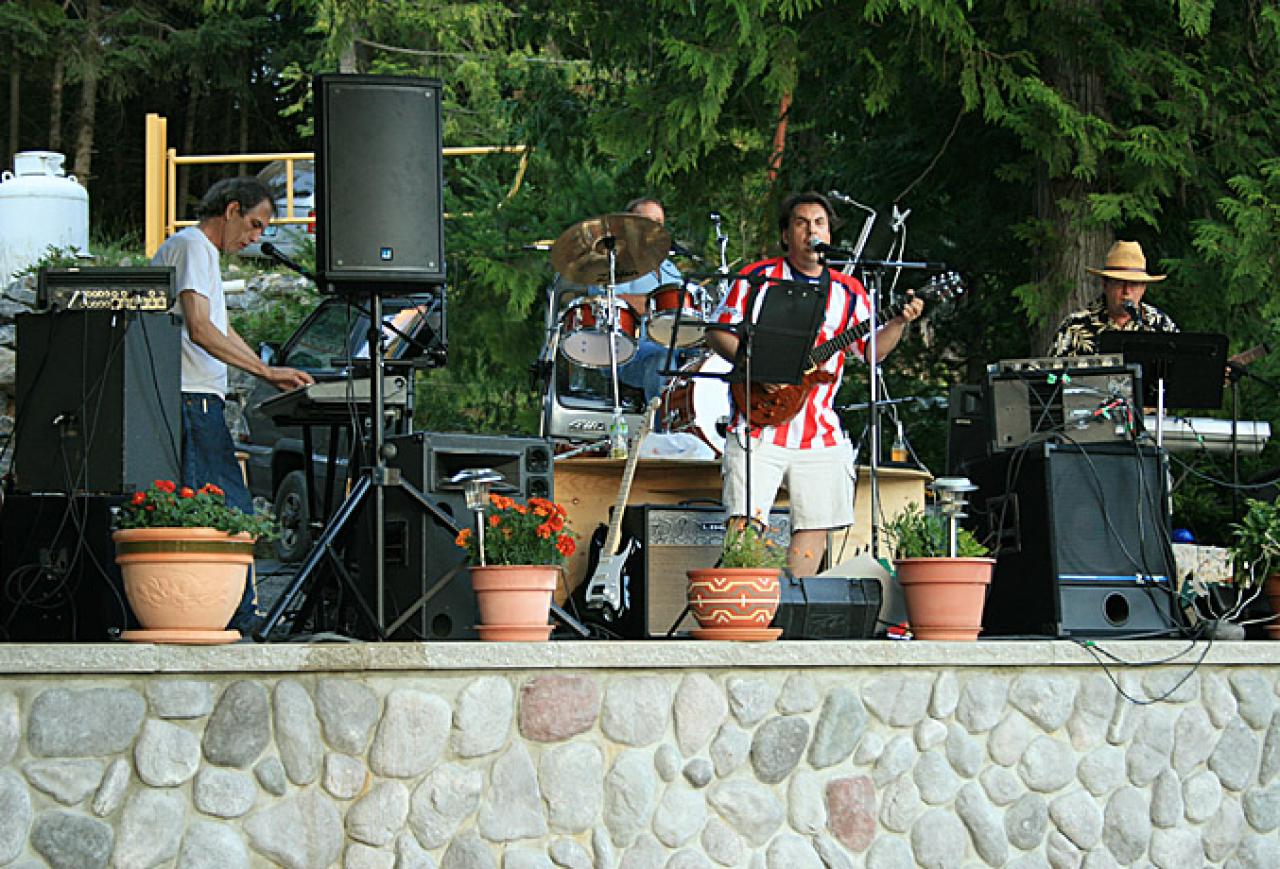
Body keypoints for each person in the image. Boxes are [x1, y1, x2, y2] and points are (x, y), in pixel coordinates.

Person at [706, 192, 924, 577]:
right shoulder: (757, 278)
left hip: (819, 429)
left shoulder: (849, 291)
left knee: (814, 527)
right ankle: (746, 602)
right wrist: (759, 369)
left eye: (819, 223)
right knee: (745, 524)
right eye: (801, 223)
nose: (811, 231)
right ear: (786, 235)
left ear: (829, 232)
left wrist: (898, 322)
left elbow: (871, 352)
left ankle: (793, 603)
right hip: (758, 423)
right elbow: (718, 332)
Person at [151, 177, 314, 631]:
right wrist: (266, 373)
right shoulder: (195, 247)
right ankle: (238, 616)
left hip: (194, 396)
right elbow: (201, 329)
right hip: (191, 398)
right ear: (231, 210)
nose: (256, 237)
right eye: (255, 224)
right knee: (227, 510)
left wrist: (267, 369)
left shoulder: (192, 250)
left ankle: (222, 613)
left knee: (208, 508)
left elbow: (220, 327)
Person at [1049, 240, 1178, 357]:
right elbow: (1051, 373)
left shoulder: (1160, 325)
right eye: (1120, 283)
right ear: (1105, 285)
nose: (1127, 291)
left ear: (1143, 288)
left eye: (1134, 284)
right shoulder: (1074, 326)